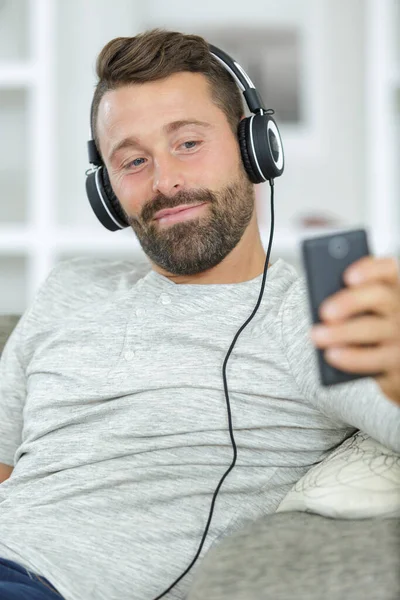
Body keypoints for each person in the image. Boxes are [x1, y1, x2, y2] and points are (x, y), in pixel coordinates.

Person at [0, 28, 399, 600]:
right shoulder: (71, 286)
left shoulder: (310, 315)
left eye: (188, 143)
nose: (166, 182)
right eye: (133, 160)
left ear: (254, 146)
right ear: (106, 191)